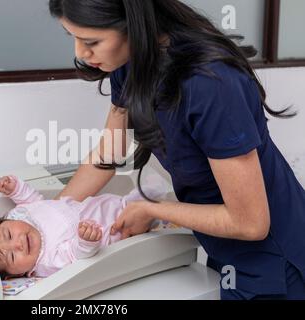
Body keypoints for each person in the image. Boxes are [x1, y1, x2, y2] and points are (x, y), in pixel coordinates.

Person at [48, 0, 305, 300]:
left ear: (132, 25)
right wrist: (47, 218)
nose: (79, 53)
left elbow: (251, 223)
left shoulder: (211, 84)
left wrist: (151, 209)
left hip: (275, 257)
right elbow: (109, 153)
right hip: (223, 246)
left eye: (91, 41)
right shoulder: (131, 65)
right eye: (73, 38)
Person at [0, 175, 167, 279]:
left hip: (100, 205)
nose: (18, 244)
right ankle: (158, 217)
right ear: (17, 274)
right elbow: (75, 255)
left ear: (5, 221)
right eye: (11, 257)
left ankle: (150, 205)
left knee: (138, 197)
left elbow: (34, 200)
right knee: (141, 216)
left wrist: (16, 189)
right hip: (113, 230)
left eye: (9, 234)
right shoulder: (46, 261)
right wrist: (86, 241)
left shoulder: (22, 215)